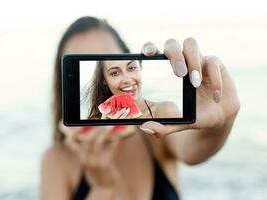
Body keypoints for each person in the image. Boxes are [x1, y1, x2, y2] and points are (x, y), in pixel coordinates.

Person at [41, 16, 240, 200]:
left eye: (131, 67)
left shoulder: (159, 119)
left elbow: (195, 151)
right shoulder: (56, 160)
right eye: (114, 71)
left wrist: (221, 121)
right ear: (103, 80)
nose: (126, 78)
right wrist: (103, 189)